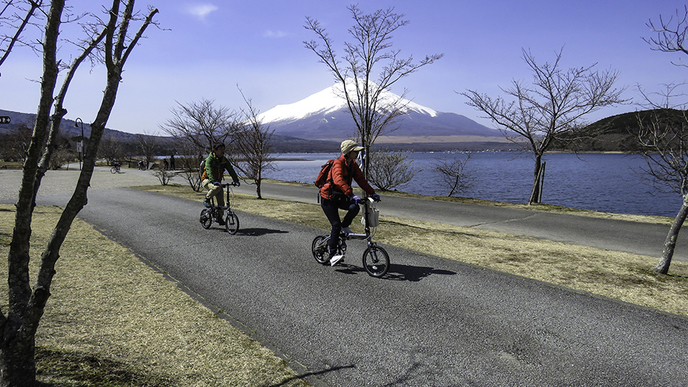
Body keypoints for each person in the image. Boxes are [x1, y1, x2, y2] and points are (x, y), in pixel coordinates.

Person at [319, 140, 380, 265]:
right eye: (355, 151)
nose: (358, 153)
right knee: (335, 225)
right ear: (348, 152)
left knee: (354, 207)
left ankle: (344, 226)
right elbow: (338, 181)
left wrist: (372, 193)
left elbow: (361, 180)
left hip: (340, 197)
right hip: (328, 198)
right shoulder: (338, 164)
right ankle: (332, 255)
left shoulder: (352, 165)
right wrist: (351, 194)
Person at [201, 143, 240, 225]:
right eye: (221, 149)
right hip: (207, 180)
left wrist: (236, 180)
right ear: (215, 150)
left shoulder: (224, 160)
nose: (223, 151)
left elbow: (231, 170)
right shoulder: (210, 159)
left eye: (223, 149)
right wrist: (213, 180)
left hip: (217, 183)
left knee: (221, 202)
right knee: (216, 188)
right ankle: (207, 199)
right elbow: (209, 171)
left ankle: (219, 217)